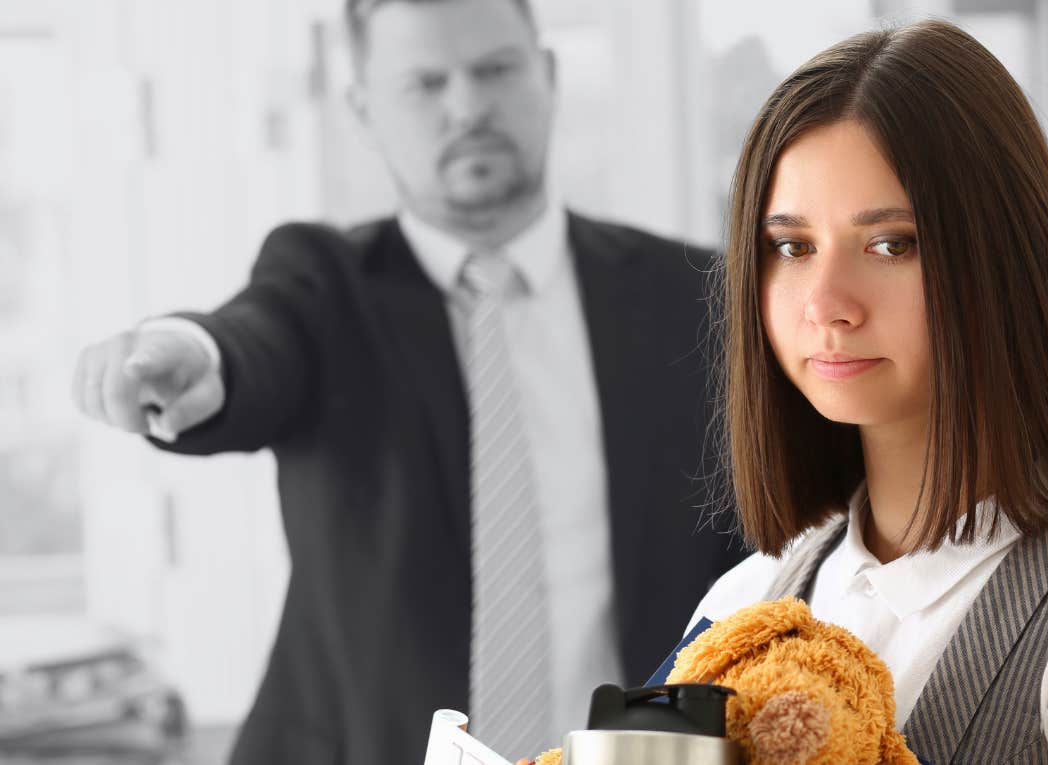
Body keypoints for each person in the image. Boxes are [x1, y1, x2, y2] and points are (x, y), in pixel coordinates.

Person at [70, 0, 743, 762]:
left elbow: (754, 565)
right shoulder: (324, 287)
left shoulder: (692, 296)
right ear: (363, 109)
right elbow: (252, 342)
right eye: (425, 82)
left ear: (547, 74)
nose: (468, 106)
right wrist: (192, 353)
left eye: (494, 69)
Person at [686, 20, 1048, 763]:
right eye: (792, 247)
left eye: (892, 243)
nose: (826, 302)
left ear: (1003, 262)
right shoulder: (743, 609)